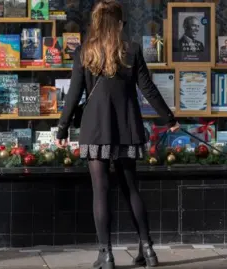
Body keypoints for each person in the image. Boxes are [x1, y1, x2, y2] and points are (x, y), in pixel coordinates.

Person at [55, 1, 180, 269]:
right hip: (127, 127)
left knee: (100, 191)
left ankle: (106, 254)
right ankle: (148, 250)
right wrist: (169, 119)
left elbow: (74, 94)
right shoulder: (131, 50)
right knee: (131, 189)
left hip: (95, 129)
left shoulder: (84, 52)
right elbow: (148, 89)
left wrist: (62, 128)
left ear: (96, 22)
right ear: (119, 22)